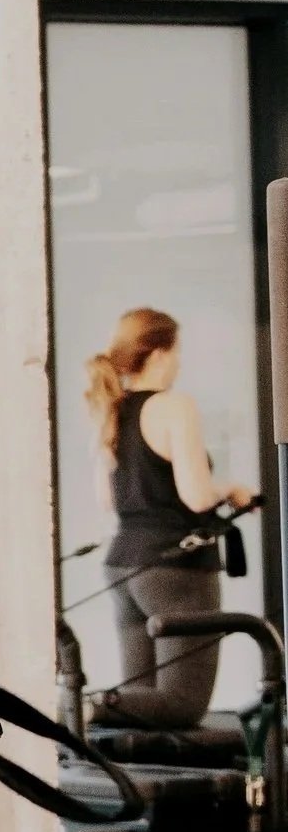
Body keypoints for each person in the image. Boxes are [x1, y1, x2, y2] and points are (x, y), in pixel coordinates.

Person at [85, 306, 254, 730]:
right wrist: (231, 491)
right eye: (177, 351)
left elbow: (108, 499)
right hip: (176, 569)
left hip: (123, 565)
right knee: (182, 704)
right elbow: (196, 496)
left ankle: (94, 711)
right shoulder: (173, 406)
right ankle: (84, 708)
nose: (179, 362)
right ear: (160, 352)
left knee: (142, 703)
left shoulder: (112, 410)